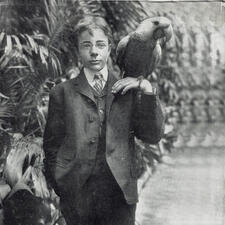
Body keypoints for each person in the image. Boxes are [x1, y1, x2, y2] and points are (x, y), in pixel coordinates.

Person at [43, 16, 164, 225]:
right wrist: (62, 185)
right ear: (78, 51)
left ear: (110, 48)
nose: (94, 51)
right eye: (86, 45)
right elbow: (52, 146)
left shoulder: (130, 89)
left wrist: (146, 90)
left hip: (119, 197)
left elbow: (152, 136)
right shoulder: (62, 93)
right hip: (77, 198)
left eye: (100, 45)